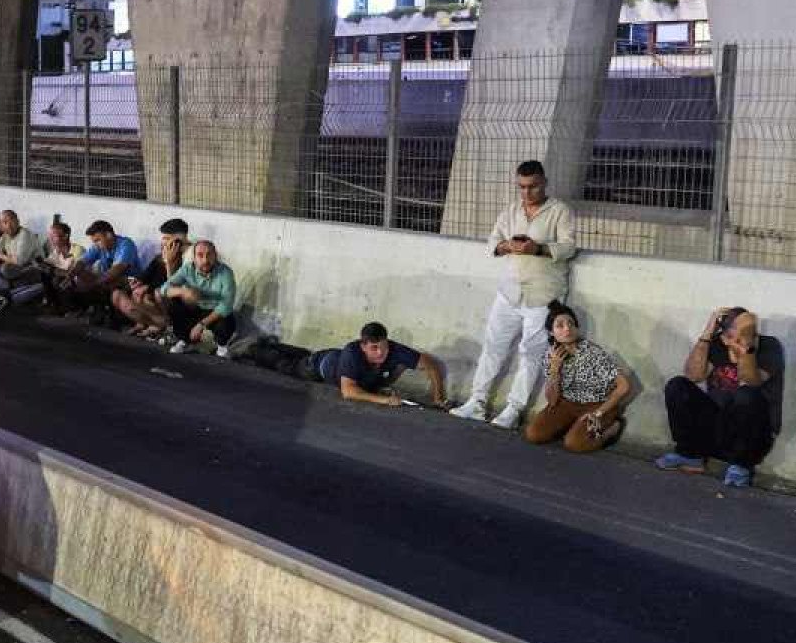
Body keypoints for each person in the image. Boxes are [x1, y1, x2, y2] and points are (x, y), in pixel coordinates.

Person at [450, 160, 578, 429]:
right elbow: (492, 242)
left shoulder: (560, 211)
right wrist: (507, 245)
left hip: (543, 295)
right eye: (521, 187)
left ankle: (514, 409)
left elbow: (568, 247)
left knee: (531, 354)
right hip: (509, 292)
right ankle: (477, 401)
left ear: (544, 182)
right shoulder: (510, 210)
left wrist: (538, 249)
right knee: (493, 346)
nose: (526, 193)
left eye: (532, 187)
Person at [657, 306, 785, 487]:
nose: (737, 338)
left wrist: (745, 349)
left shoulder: (769, 346)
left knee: (746, 395)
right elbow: (693, 376)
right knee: (678, 385)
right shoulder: (717, 343)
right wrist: (707, 333)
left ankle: (742, 466)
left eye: (744, 332)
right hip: (718, 430)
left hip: (752, 437)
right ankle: (689, 455)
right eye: (733, 333)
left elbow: (752, 380)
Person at [233, 321, 447, 408]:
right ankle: (253, 349)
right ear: (363, 346)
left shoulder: (393, 349)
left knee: (299, 354)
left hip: (332, 358)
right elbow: (348, 391)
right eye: (374, 348)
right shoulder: (352, 353)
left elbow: (430, 364)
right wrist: (383, 400)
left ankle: (269, 344)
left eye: (383, 347)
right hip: (318, 369)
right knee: (285, 366)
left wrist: (438, 396)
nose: (381, 353)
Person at [523, 303, 629, 452]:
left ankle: (611, 429)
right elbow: (552, 400)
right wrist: (555, 369)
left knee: (575, 444)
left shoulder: (592, 353)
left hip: (597, 405)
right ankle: (573, 426)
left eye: (571, 324)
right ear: (551, 332)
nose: (567, 329)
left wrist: (598, 413)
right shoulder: (551, 355)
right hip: (566, 404)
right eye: (560, 325)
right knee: (533, 434)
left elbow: (623, 386)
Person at [157, 240, 241, 354]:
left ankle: (221, 345)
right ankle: (185, 340)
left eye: (209, 255)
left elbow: (226, 305)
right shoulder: (187, 269)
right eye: (200, 255)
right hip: (194, 308)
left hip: (214, 311)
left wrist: (200, 325)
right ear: (194, 258)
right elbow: (164, 289)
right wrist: (184, 292)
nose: (205, 260)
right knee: (174, 305)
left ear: (215, 256)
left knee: (227, 320)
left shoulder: (225, 273)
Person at [115, 221, 188, 335]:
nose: (163, 242)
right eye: (163, 238)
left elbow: (173, 285)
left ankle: (164, 326)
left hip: (176, 300)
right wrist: (137, 282)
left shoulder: (187, 258)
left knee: (155, 294)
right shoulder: (159, 257)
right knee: (124, 293)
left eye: (167, 238)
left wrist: (168, 263)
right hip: (154, 293)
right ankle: (145, 323)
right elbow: (146, 275)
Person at [68, 220, 140, 318]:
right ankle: (97, 308)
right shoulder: (99, 246)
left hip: (129, 281)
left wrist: (94, 283)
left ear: (109, 235)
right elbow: (83, 261)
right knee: (81, 273)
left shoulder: (126, 244)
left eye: (98, 240)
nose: (96, 244)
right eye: (94, 242)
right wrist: (72, 273)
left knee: (109, 280)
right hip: (106, 279)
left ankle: (104, 310)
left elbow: (117, 270)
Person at [0, 210, 43, 284]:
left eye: (12, 221)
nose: (9, 225)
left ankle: (12, 286)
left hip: (33, 267)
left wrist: (0, 256)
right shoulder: (5, 235)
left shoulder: (25, 234)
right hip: (18, 267)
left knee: (5, 269)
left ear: (18, 221)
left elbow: (19, 261)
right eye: (5, 222)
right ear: (1, 226)